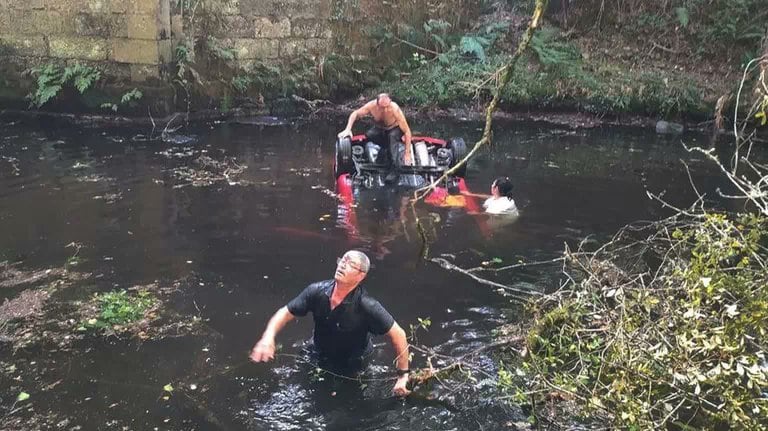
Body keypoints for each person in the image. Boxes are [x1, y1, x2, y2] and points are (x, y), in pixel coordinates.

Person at [249, 250, 411, 396]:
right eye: (342, 260)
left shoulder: (367, 305)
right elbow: (285, 312)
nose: (342, 265)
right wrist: (268, 337)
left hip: (352, 362)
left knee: (345, 400)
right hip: (318, 351)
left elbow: (399, 334)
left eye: (350, 264)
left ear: (360, 275)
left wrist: (403, 375)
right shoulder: (317, 291)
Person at [337, 93, 413, 167]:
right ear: (377, 104)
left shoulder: (395, 108)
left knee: (392, 137)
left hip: (395, 128)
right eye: (382, 107)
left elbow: (407, 131)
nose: (385, 109)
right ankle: (386, 147)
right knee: (369, 135)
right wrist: (348, 129)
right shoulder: (371, 106)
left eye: (387, 106)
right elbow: (355, 113)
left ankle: (395, 168)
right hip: (382, 129)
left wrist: (407, 153)